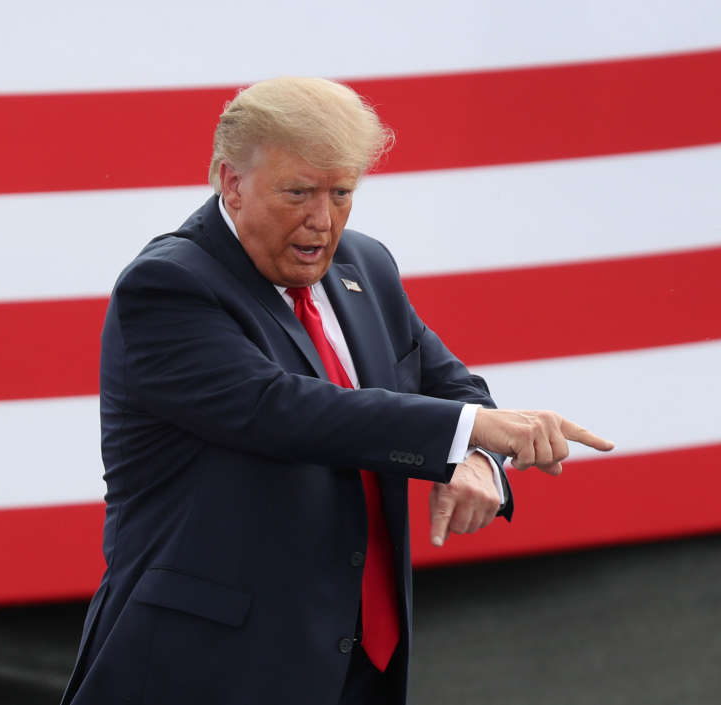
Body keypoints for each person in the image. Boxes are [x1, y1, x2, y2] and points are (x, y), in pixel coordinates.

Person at [59, 76, 613, 705]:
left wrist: (477, 457)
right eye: (298, 193)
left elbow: (445, 382)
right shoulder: (168, 287)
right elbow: (282, 410)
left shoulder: (363, 265)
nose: (322, 222)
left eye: (342, 193)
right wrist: (465, 432)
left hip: (356, 663)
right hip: (209, 668)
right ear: (230, 182)